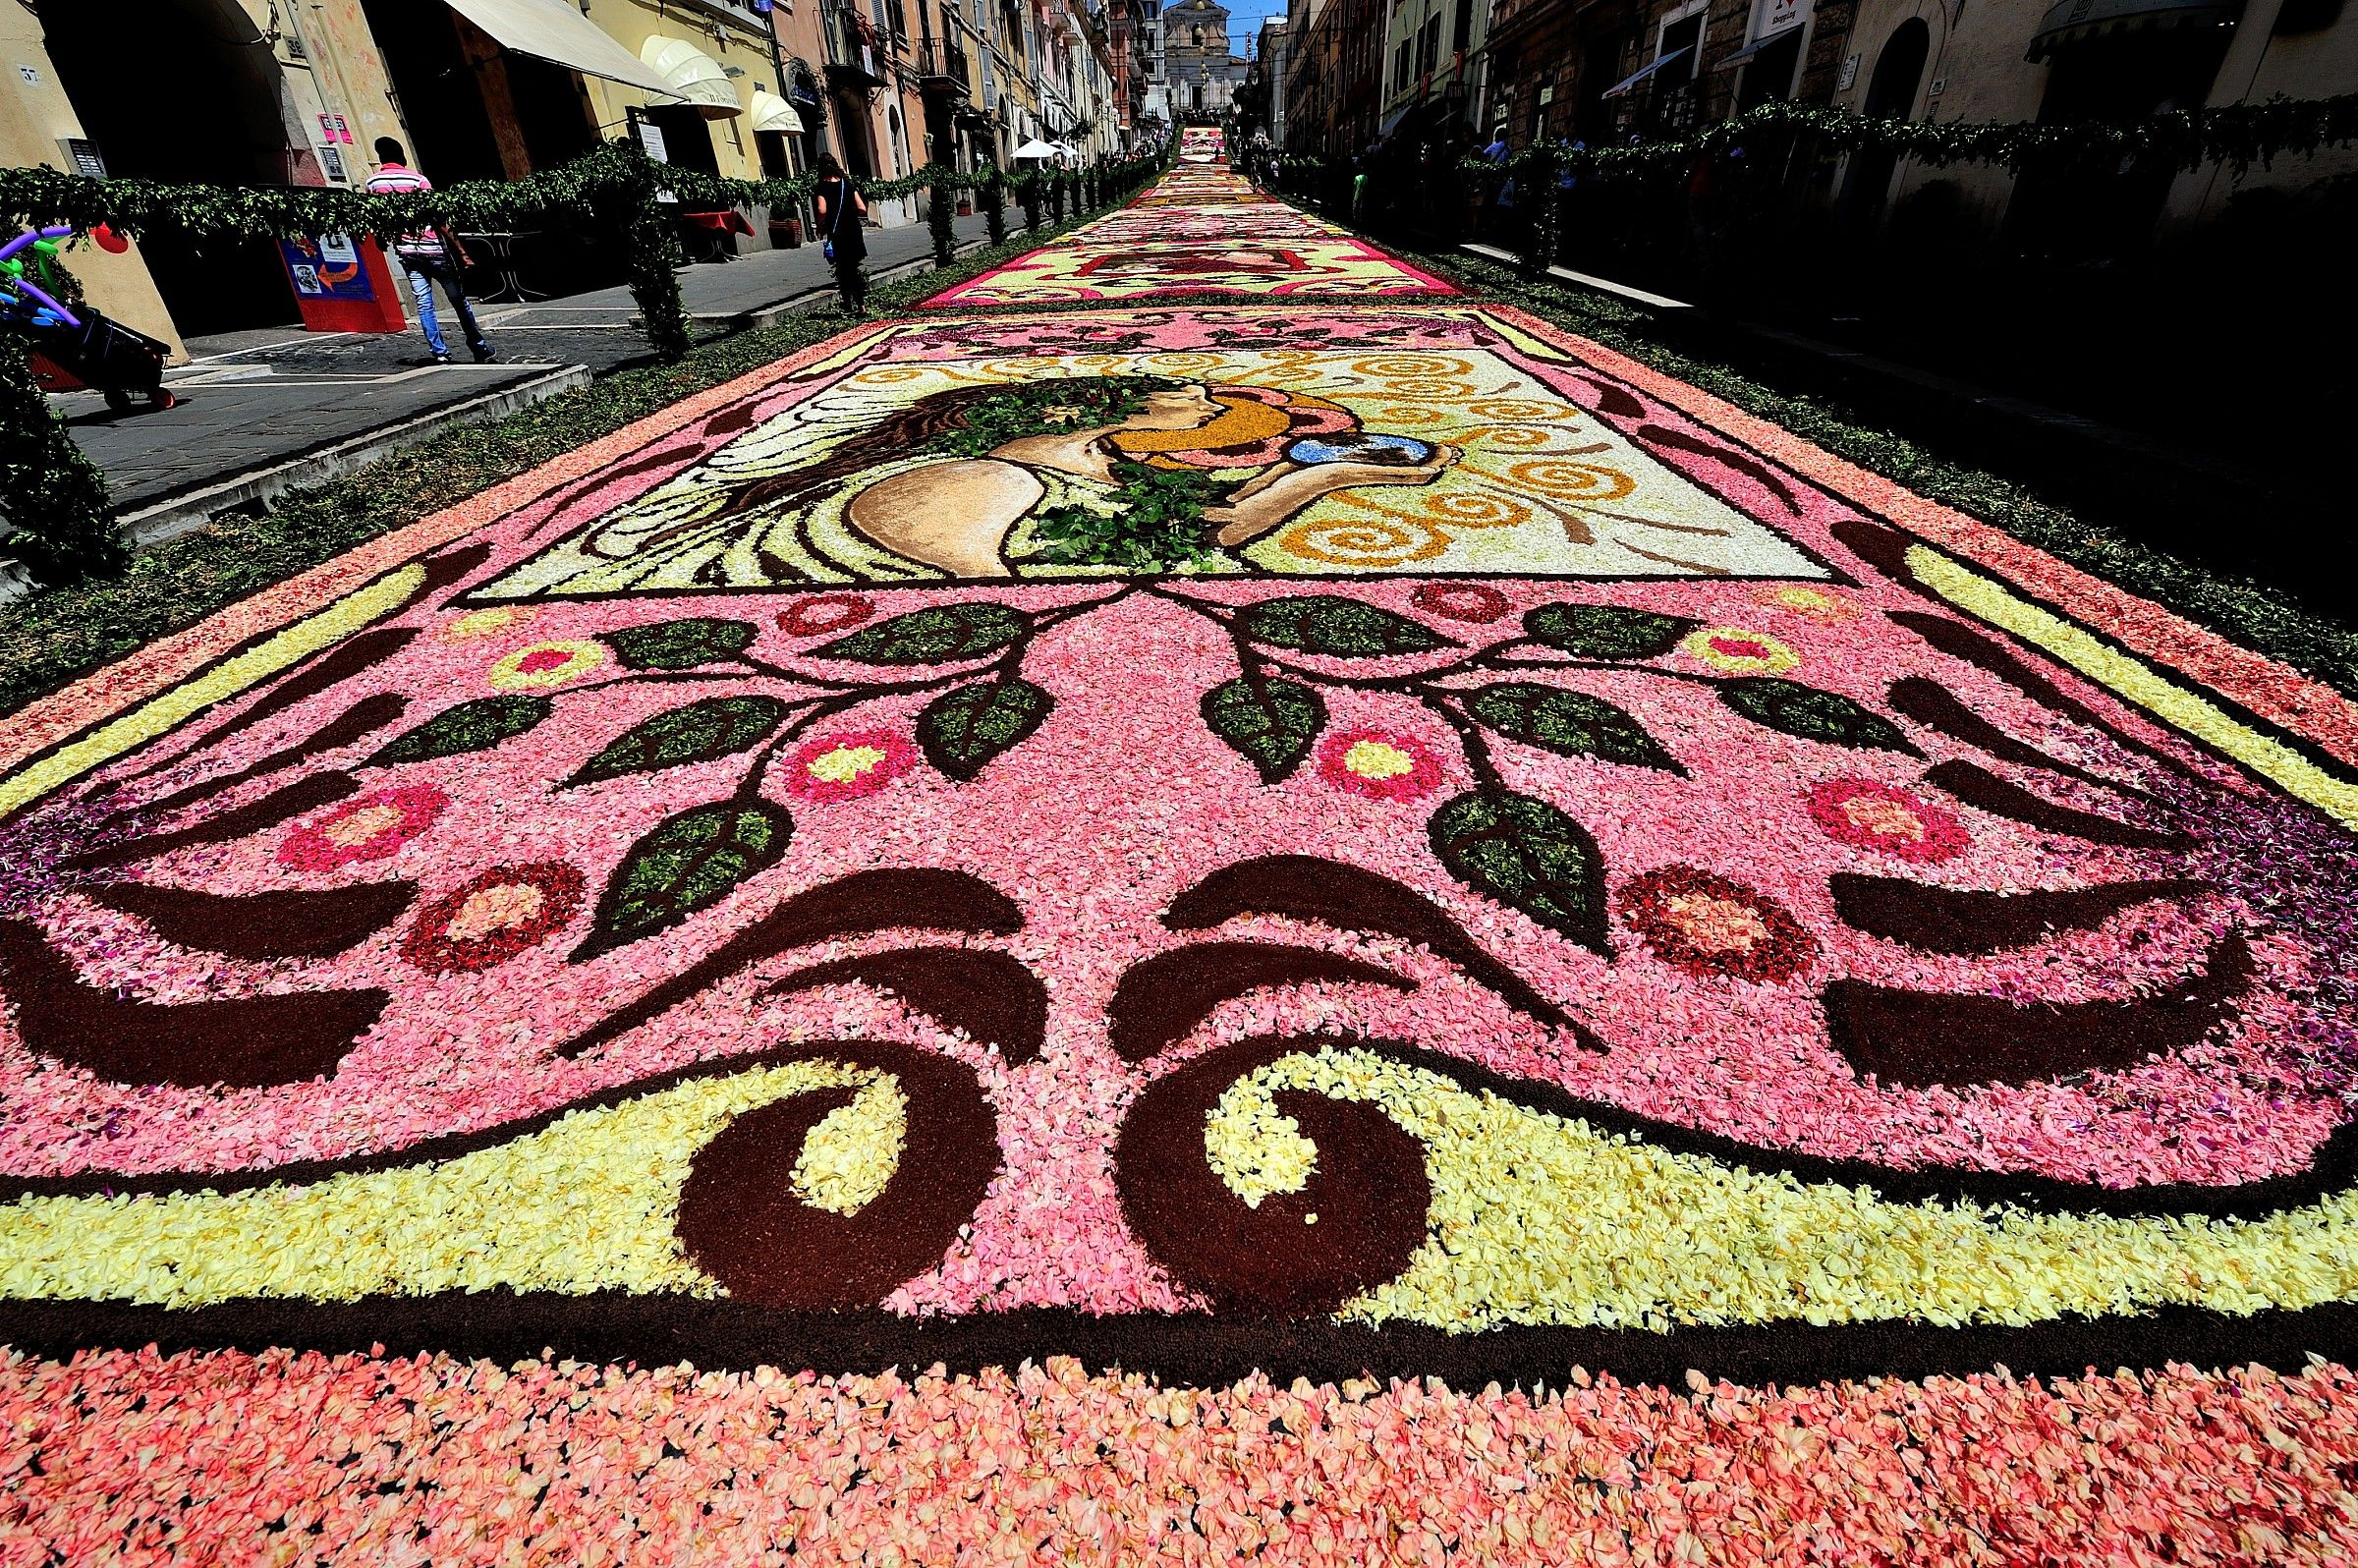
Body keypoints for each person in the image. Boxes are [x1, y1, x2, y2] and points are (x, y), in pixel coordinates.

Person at [364, 139, 494, 365]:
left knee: (424, 304)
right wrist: (461, 251)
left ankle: (440, 351)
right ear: (401, 155)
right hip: (434, 250)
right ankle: (478, 346)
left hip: (407, 253)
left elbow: (378, 218)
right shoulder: (418, 180)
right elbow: (438, 217)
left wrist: (381, 240)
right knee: (459, 300)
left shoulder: (373, 184)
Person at [812, 154, 870, 318]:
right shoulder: (847, 185)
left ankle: (851, 305)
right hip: (853, 231)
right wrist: (848, 214)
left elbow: (822, 210)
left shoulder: (822, 187)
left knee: (844, 270)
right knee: (852, 269)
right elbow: (862, 208)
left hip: (838, 233)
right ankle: (859, 305)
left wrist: (821, 224)